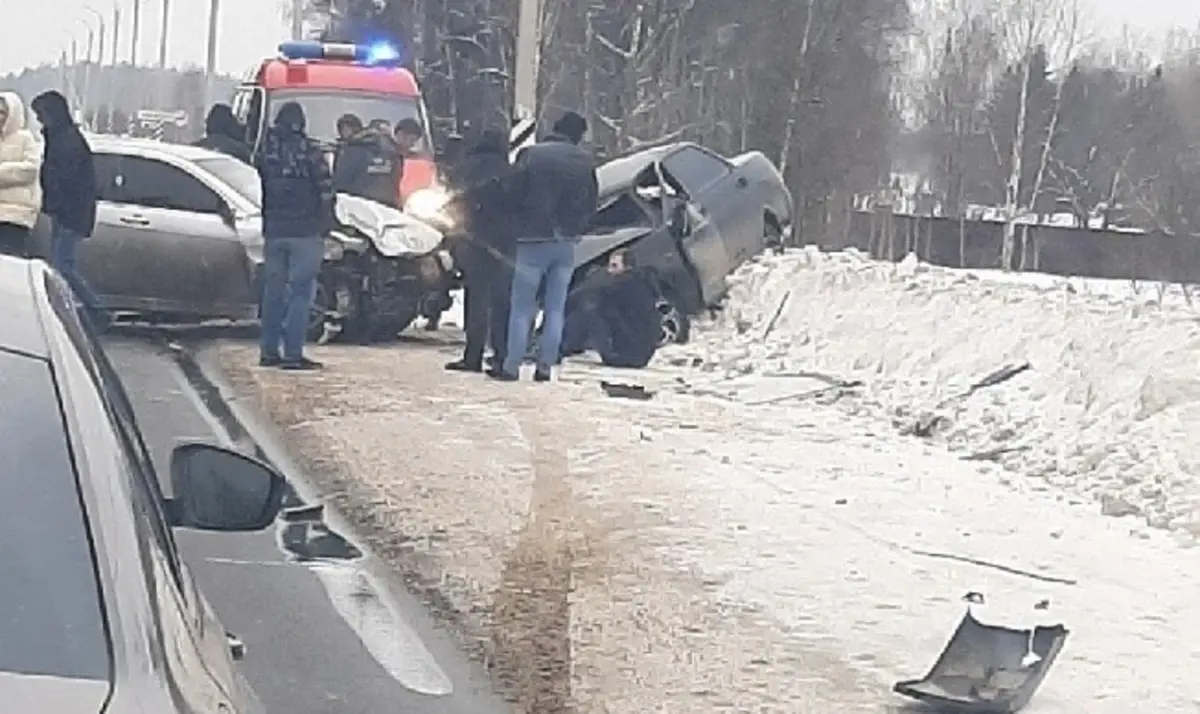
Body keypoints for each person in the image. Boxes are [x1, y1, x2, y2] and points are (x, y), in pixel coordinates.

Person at [489, 111, 598, 382]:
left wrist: (515, 222)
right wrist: (576, 228)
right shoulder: (586, 162)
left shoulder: (532, 155)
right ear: (579, 135)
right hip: (566, 243)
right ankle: (545, 366)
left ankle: (511, 365)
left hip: (531, 239)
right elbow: (592, 202)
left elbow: (512, 193)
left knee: (522, 307)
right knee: (555, 308)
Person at [255, 101, 335, 371]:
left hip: (275, 230)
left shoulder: (266, 151)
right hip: (305, 231)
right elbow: (326, 191)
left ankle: (268, 351)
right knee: (301, 293)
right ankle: (292, 354)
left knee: (273, 292)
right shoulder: (311, 152)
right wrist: (326, 224)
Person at [30, 91, 105, 326]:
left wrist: (57, 204)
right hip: (66, 211)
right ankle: (73, 309)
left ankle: (95, 309)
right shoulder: (61, 137)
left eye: (41, 115)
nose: (40, 120)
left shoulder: (67, 142)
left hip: (70, 212)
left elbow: (68, 181)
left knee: (63, 264)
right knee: (59, 265)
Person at [445, 129, 512, 372]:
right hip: (503, 241)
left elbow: (454, 197)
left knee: (476, 296)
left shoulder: (467, 166)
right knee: (501, 299)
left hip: (472, 238)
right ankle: (501, 354)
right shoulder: (508, 170)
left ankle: (472, 354)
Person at [561, 249, 661, 368]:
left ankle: (558, 348)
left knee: (584, 314)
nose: (609, 270)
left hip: (622, 355)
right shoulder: (643, 283)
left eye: (614, 266)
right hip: (642, 356)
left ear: (627, 267)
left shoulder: (618, 285)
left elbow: (584, 298)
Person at [0, 92, 39, 258]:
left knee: (9, 263)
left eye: (3, 112)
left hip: (16, 215)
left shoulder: (25, 138)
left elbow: (30, 169)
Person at [332, 113, 400, 206]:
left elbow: (340, 182)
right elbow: (397, 177)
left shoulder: (353, 149)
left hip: (357, 206)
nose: (344, 132)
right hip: (387, 207)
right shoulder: (392, 150)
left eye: (347, 128)